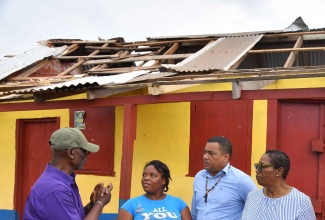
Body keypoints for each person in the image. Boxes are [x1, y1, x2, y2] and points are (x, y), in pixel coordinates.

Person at [23, 127, 113, 220]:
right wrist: (100, 203)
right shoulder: (55, 189)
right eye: (85, 151)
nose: (86, 156)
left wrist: (92, 205)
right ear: (71, 153)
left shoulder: (62, 182)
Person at [191, 136, 257, 220]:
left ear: (225, 157)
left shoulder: (241, 180)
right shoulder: (199, 176)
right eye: (204, 152)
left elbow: (258, 209)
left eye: (211, 153)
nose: (205, 157)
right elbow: (195, 212)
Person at [242, 150, 316, 220]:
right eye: (257, 166)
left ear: (279, 171)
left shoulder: (300, 201)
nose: (257, 170)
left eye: (262, 166)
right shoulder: (252, 197)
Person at [116, 160, 192, 220]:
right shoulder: (130, 205)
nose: (146, 178)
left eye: (152, 175)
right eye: (144, 175)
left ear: (163, 181)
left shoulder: (179, 203)